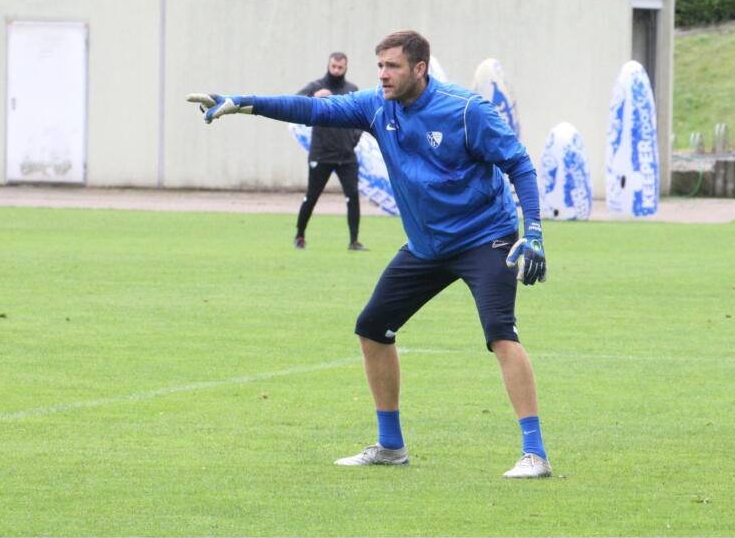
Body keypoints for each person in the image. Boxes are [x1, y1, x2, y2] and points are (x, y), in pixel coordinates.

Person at [187, 30, 552, 478]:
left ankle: (534, 454)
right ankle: (390, 446)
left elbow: (519, 163)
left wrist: (532, 230)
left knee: (500, 333)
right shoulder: (375, 106)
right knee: (372, 328)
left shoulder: (465, 111)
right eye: (379, 65)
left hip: (485, 236)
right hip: (426, 245)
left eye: (392, 66)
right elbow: (312, 108)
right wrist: (243, 102)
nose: (382, 75)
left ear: (420, 69)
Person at [293, 52, 368, 251]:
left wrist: (352, 140)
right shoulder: (316, 87)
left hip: (346, 156)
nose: (336, 71)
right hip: (321, 154)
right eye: (333, 67)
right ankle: (299, 235)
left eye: (340, 68)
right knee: (312, 196)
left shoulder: (352, 90)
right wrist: (313, 99)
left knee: (352, 197)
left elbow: (361, 119)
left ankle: (354, 241)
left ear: (346, 68)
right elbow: (294, 102)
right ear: (328, 66)